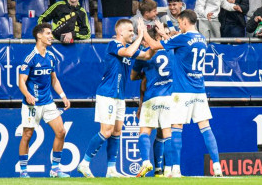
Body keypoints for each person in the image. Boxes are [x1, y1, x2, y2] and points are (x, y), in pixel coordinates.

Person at [142, 9, 223, 177]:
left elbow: (154, 45)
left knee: (176, 128)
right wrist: (165, 34)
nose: (179, 26)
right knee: (206, 128)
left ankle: (176, 169)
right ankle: (217, 166)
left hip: (182, 91)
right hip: (199, 90)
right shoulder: (202, 38)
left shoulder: (182, 37)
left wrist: (144, 32)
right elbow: (178, 43)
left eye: (179, 23)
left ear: (185, 22)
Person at [77, 18, 156, 178]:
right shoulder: (114, 44)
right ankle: (84, 164)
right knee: (106, 131)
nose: (133, 34)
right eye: (130, 31)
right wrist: (140, 36)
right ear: (120, 32)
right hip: (107, 94)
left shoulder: (129, 48)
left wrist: (148, 38)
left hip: (120, 96)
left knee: (117, 131)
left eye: (134, 31)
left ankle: (111, 170)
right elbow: (127, 53)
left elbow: (147, 55)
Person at [18, 23, 71, 178]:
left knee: (61, 132)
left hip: (48, 102)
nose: (51, 36)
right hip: (32, 104)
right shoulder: (30, 58)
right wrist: (27, 94)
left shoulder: (51, 56)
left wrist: (63, 96)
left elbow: (54, 79)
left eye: (51, 33)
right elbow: (21, 81)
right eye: (48, 33)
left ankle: (55, 169)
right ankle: (23, 171)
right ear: (39, 35)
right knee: (27, 134)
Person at [131, 26, 174, 178]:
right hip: (169, 97)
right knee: (166, 134)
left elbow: (132, 76)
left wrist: (144, 74)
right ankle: (167, 169)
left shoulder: (144, 55)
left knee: (144, 132)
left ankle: (145, 162)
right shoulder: (171, 49)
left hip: (152, 97)